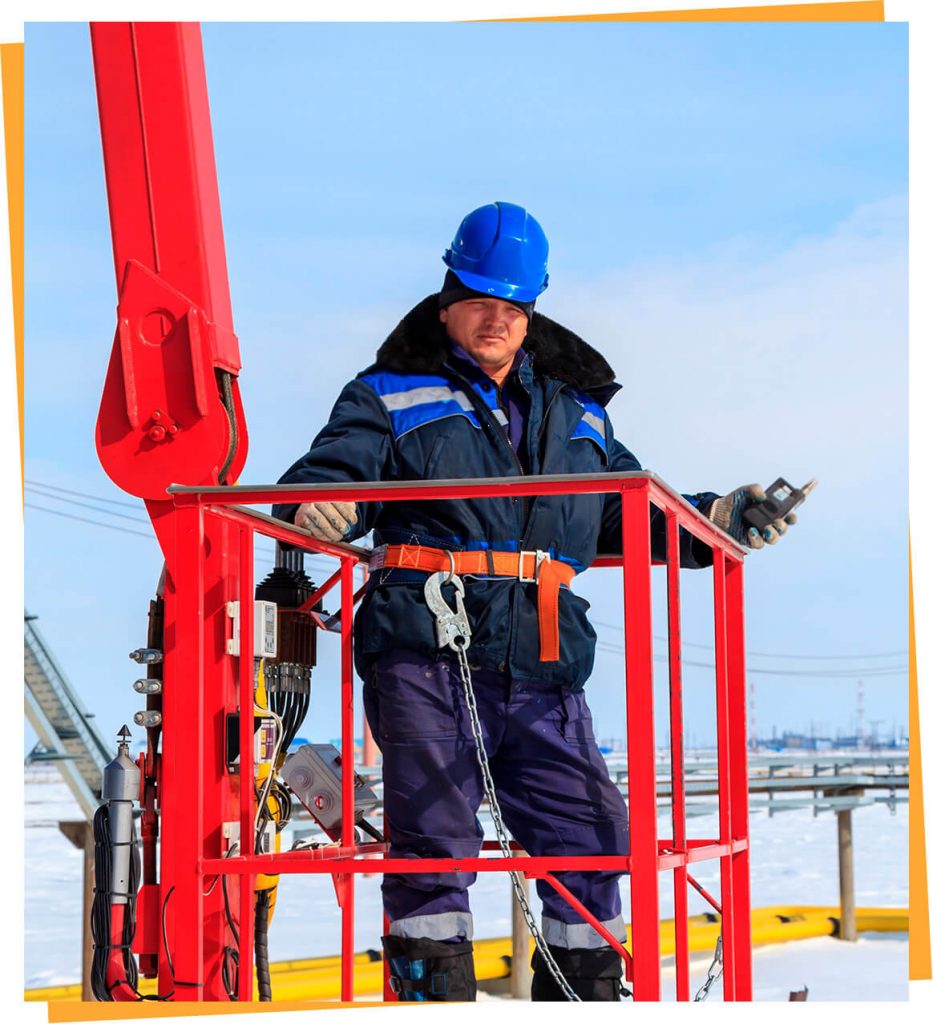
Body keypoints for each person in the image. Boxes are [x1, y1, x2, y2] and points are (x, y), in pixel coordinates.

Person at [272, 202, 794, 1002]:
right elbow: (332, 469)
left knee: (587, 832)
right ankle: (431, 1000)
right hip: (425, 645)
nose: (496, 320)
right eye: (480, 302)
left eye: (511, 307)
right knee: (436, 835)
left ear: (531, 309)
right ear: (447, 301)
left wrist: (715, 519)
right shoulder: (389, 392)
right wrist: (319, 504)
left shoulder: (577, 410)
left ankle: (580, 999)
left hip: (541, 651)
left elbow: (626, 509)